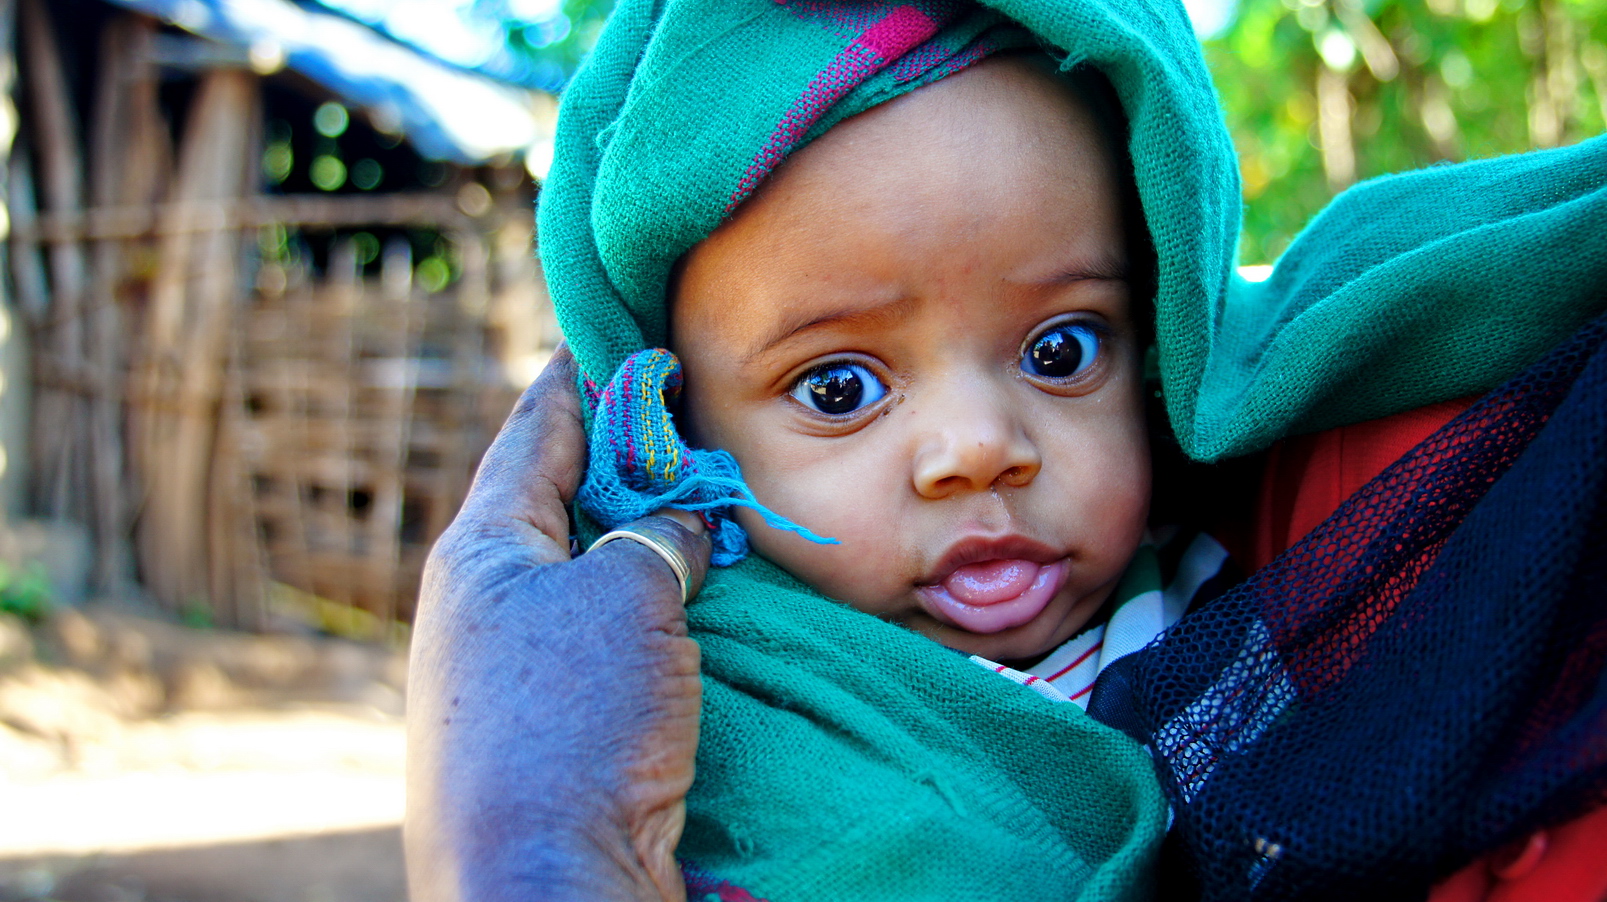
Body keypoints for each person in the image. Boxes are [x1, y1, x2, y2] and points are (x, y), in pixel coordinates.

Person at [406, 0, 1607, 899]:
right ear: (681, 436)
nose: (979, 448)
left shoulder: (1259, 575)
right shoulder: (708, 724)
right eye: (838, 386)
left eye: (1059, 348)